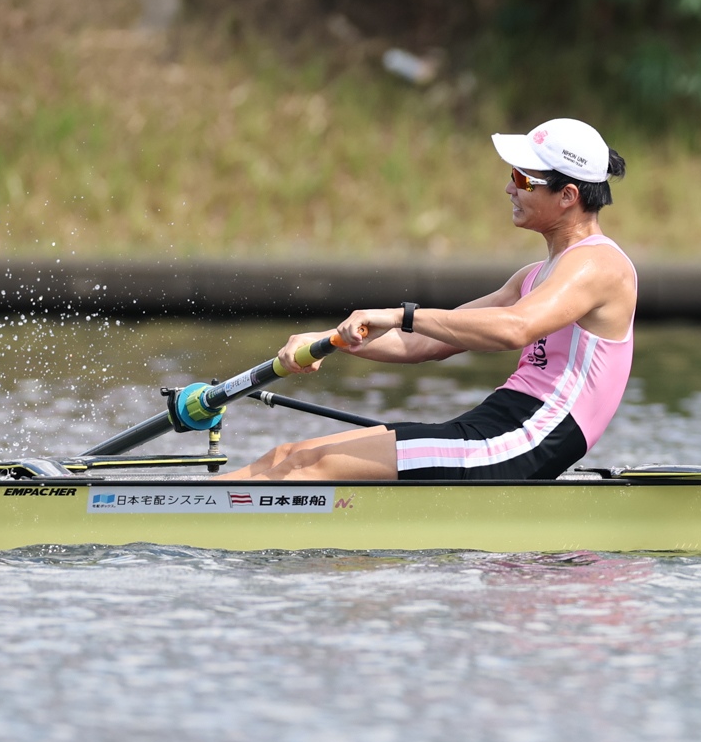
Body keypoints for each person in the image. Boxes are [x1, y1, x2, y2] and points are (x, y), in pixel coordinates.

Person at [220, 117, 636, 483]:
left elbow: (515, 328)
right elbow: (421, 342)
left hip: (532, 438)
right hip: (501, 423)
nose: (509, 187)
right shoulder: (532, 276)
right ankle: (192, 509)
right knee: (287, 455)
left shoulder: (599, 265)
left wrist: (401, 314)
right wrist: (326, 339)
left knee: (312, 465)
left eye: (523, 179)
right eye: (513, 174)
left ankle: (201, 518)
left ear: (567, 196)